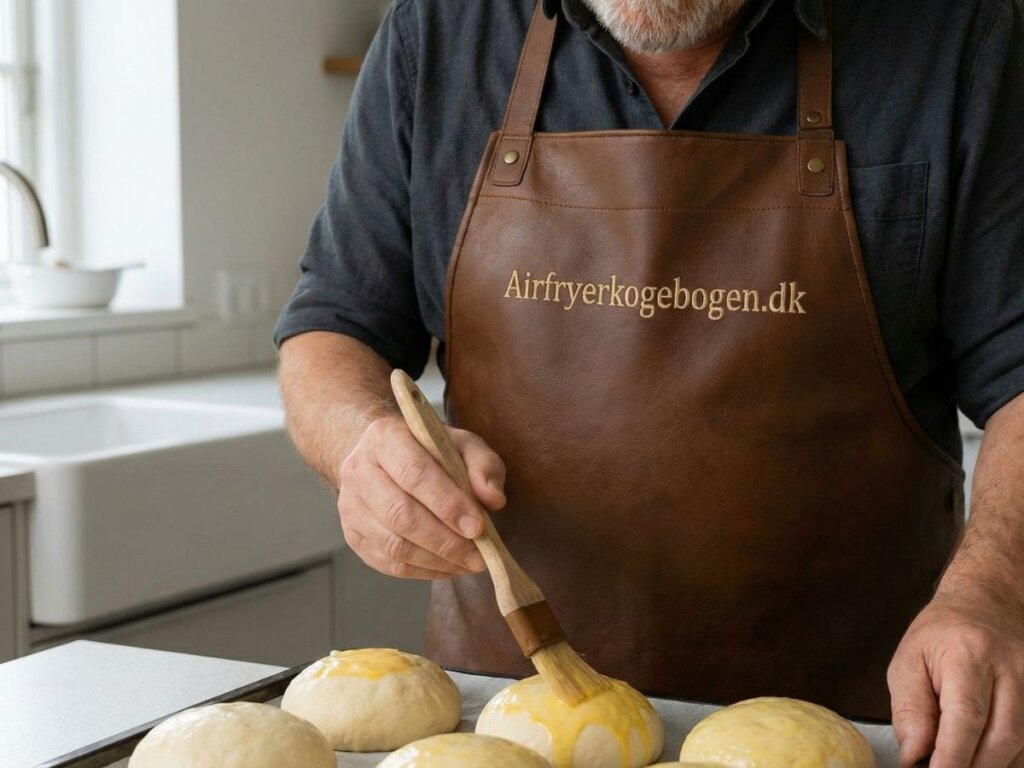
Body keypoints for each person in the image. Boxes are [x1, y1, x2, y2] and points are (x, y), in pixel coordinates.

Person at [274, 1, 1024, 765]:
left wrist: (992, 591)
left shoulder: (961, 37)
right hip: (506, 718)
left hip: (859, 723)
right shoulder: (439, 31)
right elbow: (335, 325)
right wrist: (360, 443)